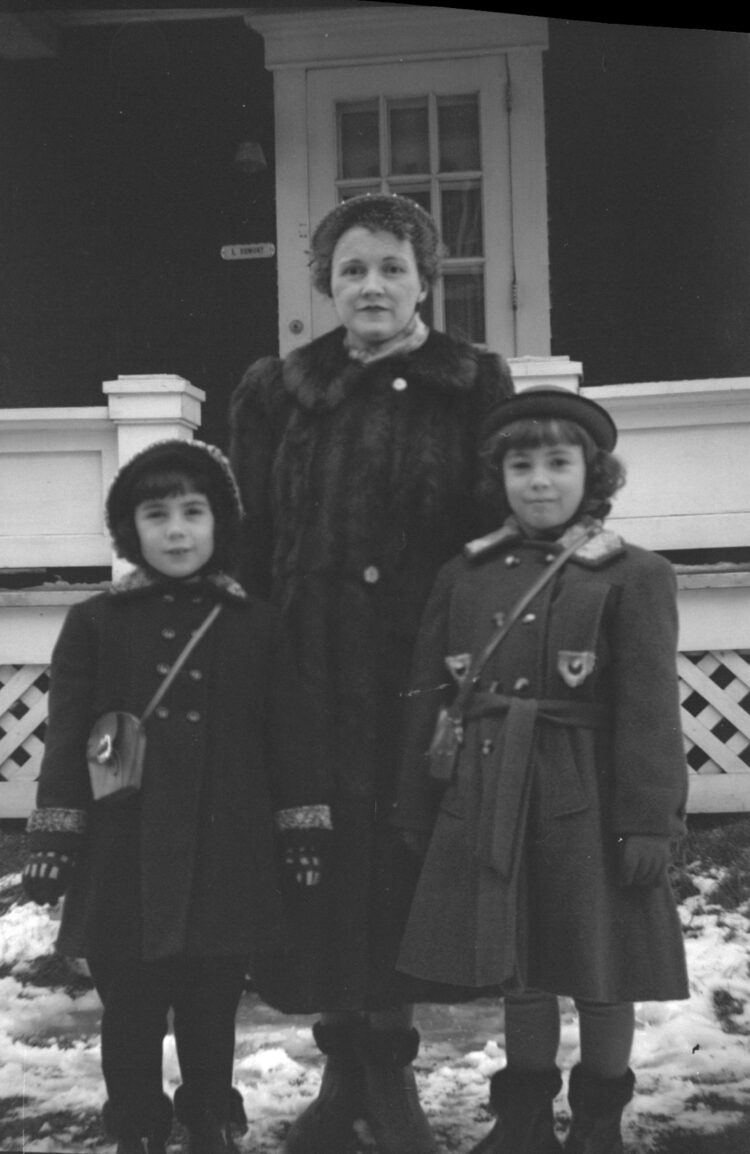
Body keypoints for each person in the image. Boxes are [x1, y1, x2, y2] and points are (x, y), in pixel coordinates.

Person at [228, 192, 514, 1154]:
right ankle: (337, 1067)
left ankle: (390, 1076)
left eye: (392, 267)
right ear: (325, 285)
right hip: (306, 666)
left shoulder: (473, 382)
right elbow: (252, 534)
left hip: (417, 667)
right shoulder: (278, 389)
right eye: (352, 269)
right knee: (317, 855)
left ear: (425, 278)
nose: (372, 286)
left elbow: (494, 521)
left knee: (401, 853)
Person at [392, 386, 689, 1154]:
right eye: (521, 465)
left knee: (599, 964)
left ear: (594, 476)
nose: (540, 481)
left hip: (583, 798)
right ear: (499, 479)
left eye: (559, 463)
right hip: (489, 790)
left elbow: (650, 713)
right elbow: (431, 697)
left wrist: (647, 821)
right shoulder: (465, 573)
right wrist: (417, 804)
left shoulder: (634, 574)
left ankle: (598, 1121)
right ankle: (521, 1119)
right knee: (516, 962)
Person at [22, 439, 332, 1154]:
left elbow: (289, 738)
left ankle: (207, 1118)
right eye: (156, 514)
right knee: (129, 1005)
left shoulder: (256, 622)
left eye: (194, 512)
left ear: (221, 524)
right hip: (121, 852)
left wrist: (302, 828)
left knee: (210, 1001)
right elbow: (69, 740)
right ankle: (135, 1123)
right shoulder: (95, 623)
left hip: (226, 852)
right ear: (131, 530)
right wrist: (54, 838)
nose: (177, 530)